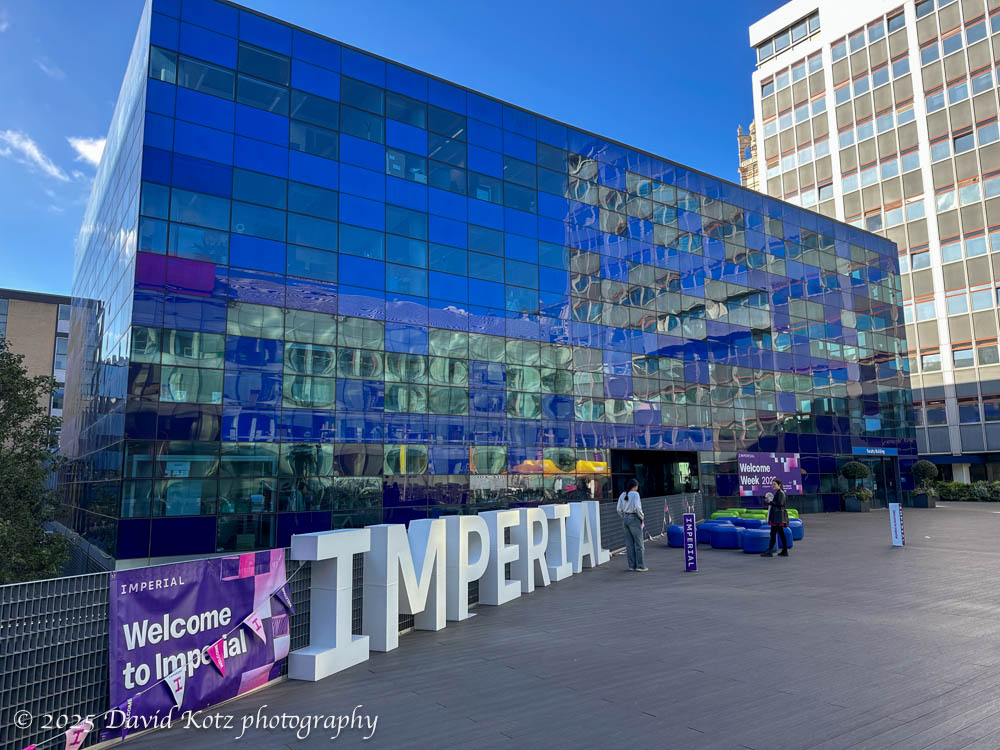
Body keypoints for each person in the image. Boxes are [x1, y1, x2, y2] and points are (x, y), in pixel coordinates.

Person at [617, 479, 647, 571]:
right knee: (639, 543)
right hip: (634, 518)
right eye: (637, 486)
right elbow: (637, 508)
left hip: (625, 518)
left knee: (629, 544)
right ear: (634, 486)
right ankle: (640, 566)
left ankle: (631, 565)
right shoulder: (635, 494)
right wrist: (642, 516)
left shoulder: (622, 495)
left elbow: (618, 509)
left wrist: (624, 517)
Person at [761, 478, 789, 557]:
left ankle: (769, 551)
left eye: (774, 484)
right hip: (778, 517)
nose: (773, 486)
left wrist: (770, 502)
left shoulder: (780, 493)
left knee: (773, 533)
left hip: (778, 517)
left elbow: (780, 503)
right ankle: (784, 551)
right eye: (772, 484)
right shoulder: (779, 493)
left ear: (779, 485)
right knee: (781, 533)